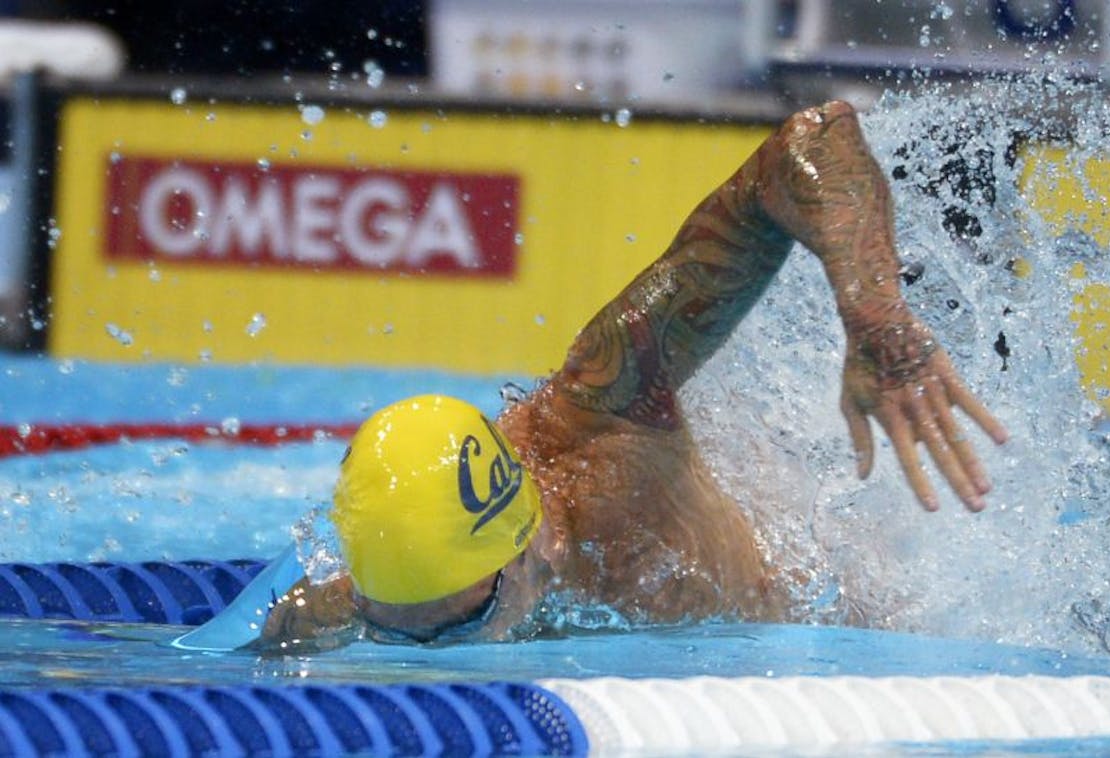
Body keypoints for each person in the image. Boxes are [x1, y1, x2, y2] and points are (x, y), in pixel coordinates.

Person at [256, 100, 1009, 649]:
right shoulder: (400, 588)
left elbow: (813, 142)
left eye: (468, 625)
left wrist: (875, 316)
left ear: (525, 551)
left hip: (875, 630)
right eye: (397, 636)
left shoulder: (606, 409)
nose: (446, 659)